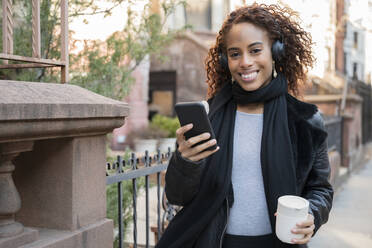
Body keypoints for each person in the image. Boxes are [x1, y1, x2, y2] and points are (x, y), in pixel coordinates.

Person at [156, 3, 333, 248]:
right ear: (224, 59)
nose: (245, 62)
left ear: (276, 52)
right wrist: (186, 162)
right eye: (235, 53)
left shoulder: (305, 120)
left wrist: (312, 215)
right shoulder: (209, 117)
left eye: (255, 50)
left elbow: (320, 189)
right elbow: (177, 195)